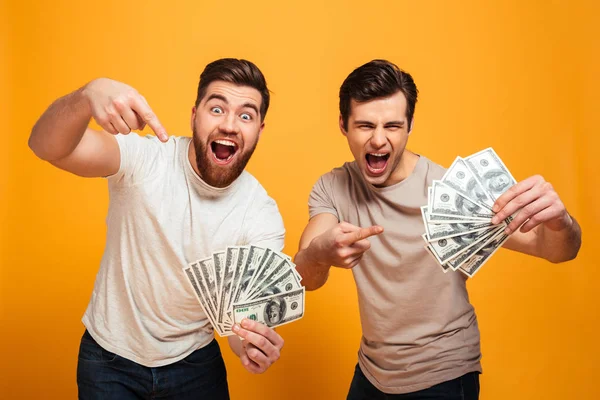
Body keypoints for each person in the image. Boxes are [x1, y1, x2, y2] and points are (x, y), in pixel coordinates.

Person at [294, 59, 581, 399]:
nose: (378, 140)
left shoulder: (451, 190)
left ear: (410, 125)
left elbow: (556, 250)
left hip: (444, 372)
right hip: (373, 371)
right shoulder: (333, 187)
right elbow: (306, 276)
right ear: (343, 124)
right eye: (365, 125)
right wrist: (321, 253)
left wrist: (562, 222)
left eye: (393, 126)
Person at [29, 58, 285, 399]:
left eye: (246, 115)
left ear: (259, 130)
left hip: (195, 365)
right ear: (194, 116)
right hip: (108, 361)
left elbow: (240, 323)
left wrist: (250, 345)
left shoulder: (260, 214)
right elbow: (43, 145)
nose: (229, 125)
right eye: (217, 109)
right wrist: (87, 96)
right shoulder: (146, 159)